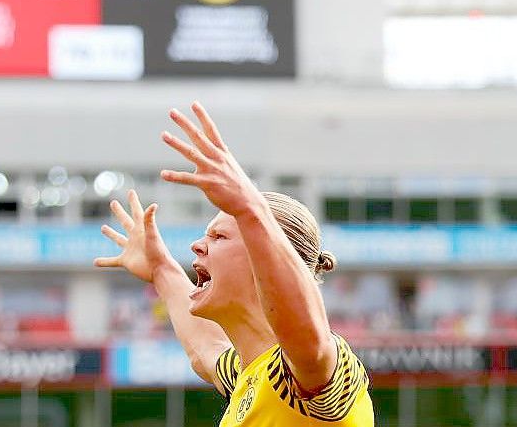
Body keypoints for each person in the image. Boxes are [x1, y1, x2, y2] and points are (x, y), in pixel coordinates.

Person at [94, 102, 374, 426]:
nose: (198, 245)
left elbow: (308, 342)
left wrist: (249, 207)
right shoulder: (245, 373)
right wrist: (161, 269)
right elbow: (206, 349)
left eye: (219, 236)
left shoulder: (310, 375)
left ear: (262, 260)